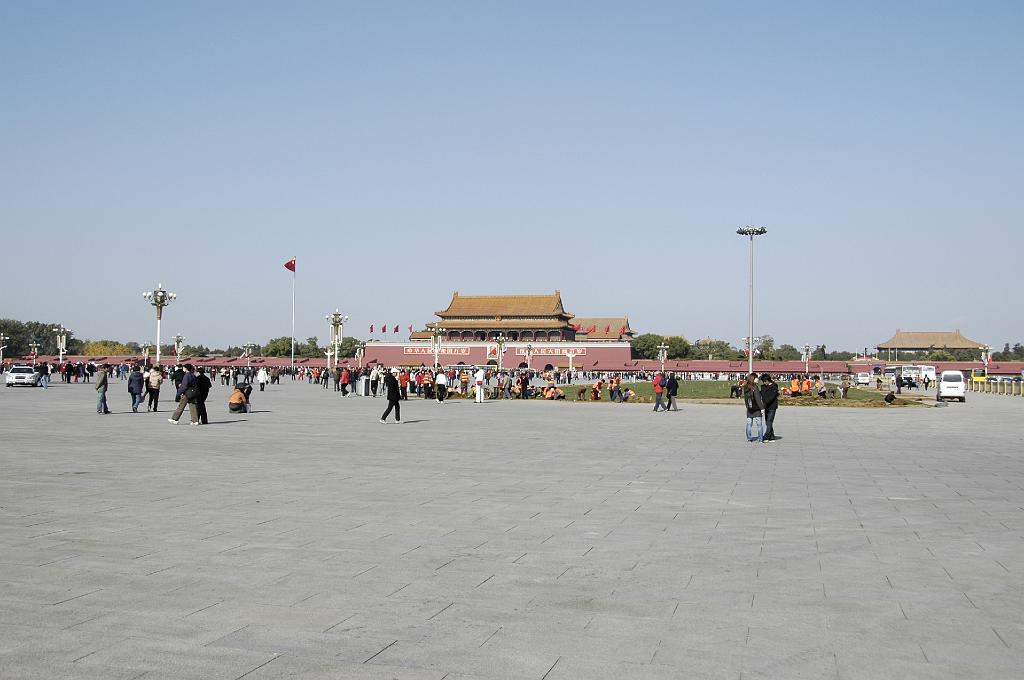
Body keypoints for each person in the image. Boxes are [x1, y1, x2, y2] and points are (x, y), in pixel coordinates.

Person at [742, 373, 765, 443]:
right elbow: (758, 399)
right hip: (756, 409)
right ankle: (760, 439)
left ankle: (749, 439)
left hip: (749, 408)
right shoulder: (755, 387)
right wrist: (762, 408)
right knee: (759, 424)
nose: (758, 379)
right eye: (756, 378)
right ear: (753, 379)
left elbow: (746, 399)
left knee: (749, 424)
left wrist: (747, 406)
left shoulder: (746, 387)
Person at [760, 374, 779, 442]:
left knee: (769, 421)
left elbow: (772, 397)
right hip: (766, 406)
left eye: (764, 381)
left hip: (772, 406)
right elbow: (761, 394)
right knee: (767, 422)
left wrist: (765, 402)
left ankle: (766, 436)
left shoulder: (774, 386)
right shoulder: (763, 387)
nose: (764, 383)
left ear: (767, 380)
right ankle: (772, 437)